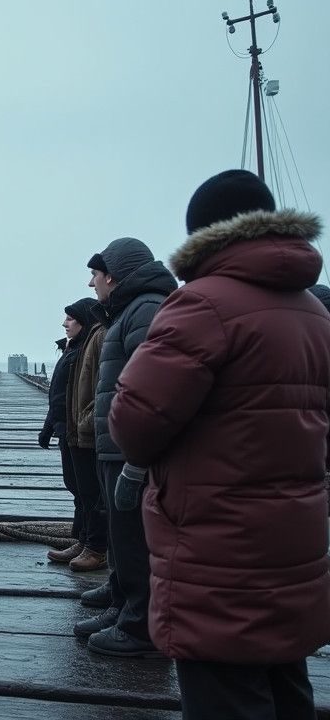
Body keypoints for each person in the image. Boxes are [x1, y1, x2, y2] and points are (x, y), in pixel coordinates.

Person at [110, 170, 330, 718]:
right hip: (294, 541)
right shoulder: (313, 312)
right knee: (285, 684)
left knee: (224, 693)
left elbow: (134, 423)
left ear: (202, 234)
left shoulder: (203, 305)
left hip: (217, 545)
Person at [79, 237, 177, 658]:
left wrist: (138, 458)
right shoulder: (128, 311)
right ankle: (123, 605)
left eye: (96, 275)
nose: (92, 282)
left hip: (128, 451)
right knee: (122, 536)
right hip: (115, 445)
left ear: (114, 274)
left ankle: (140, 627)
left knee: (135, 537)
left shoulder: (145, 309)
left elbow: (156, 385)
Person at [42, 298, 106, 572]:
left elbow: (98, 390)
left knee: (90, 491)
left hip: (83, 431)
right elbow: (60, 394)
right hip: (67, 429)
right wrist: (49, 425)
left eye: (70, 319)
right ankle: (82, 540)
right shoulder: (72, 349)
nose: (64, 323)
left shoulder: (88, 348)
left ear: (83, 321)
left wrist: (86, 422)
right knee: (77, 488)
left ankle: (95, 547)